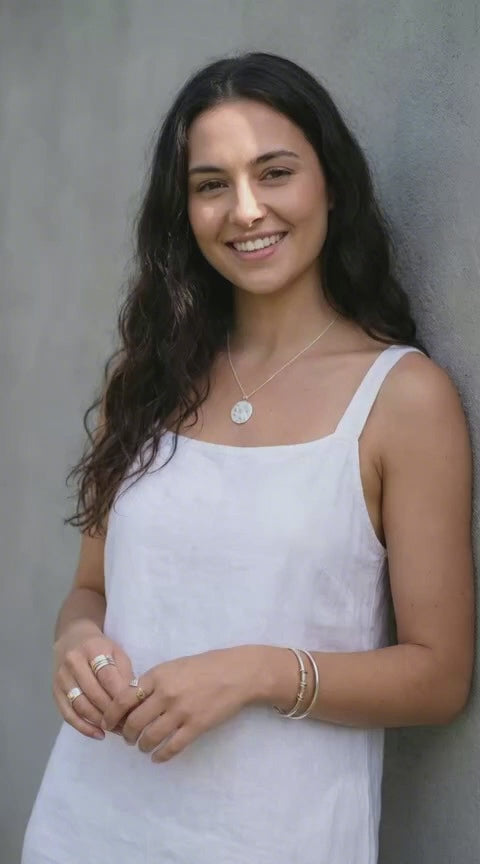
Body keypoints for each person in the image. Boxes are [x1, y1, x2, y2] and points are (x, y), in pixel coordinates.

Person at [22, 51, 474, 864]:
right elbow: (88, 590)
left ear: (331, 182)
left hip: (278, 839)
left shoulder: (403, 399)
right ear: (183, 208)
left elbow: (439, 677)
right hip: (85, 826)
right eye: (210, 184)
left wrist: (260, 672)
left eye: (275, 172)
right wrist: (74, 645)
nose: (246, 209)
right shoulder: (146, 380)